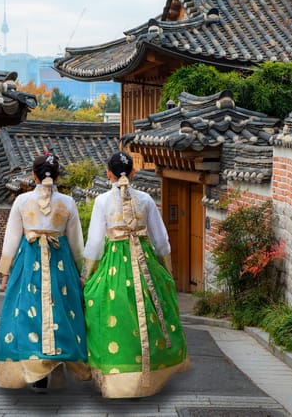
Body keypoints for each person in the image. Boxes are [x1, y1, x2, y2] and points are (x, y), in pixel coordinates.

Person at [82, 150, 189, 398]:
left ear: (108, 173)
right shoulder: (146, 199)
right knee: (152, 312)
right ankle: (149, 375)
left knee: (110, 314)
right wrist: (165, 269)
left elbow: (96, 243)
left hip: (113, 266)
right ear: (133, 172)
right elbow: (161, 239)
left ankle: (117, 377)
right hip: (145, 262)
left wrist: (89, 274)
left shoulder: (101, 201)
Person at [0, 152, 89, 391]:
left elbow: (12, 238)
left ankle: (36, 371)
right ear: (57, 176)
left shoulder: (21, 201)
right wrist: (83, 271)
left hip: (28, 263)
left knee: (28, 314)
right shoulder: (67, 202)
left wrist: (5, 273)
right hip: (61, 263)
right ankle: (55, 364)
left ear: (33, 176)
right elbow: (77, 243)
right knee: (62, 313)